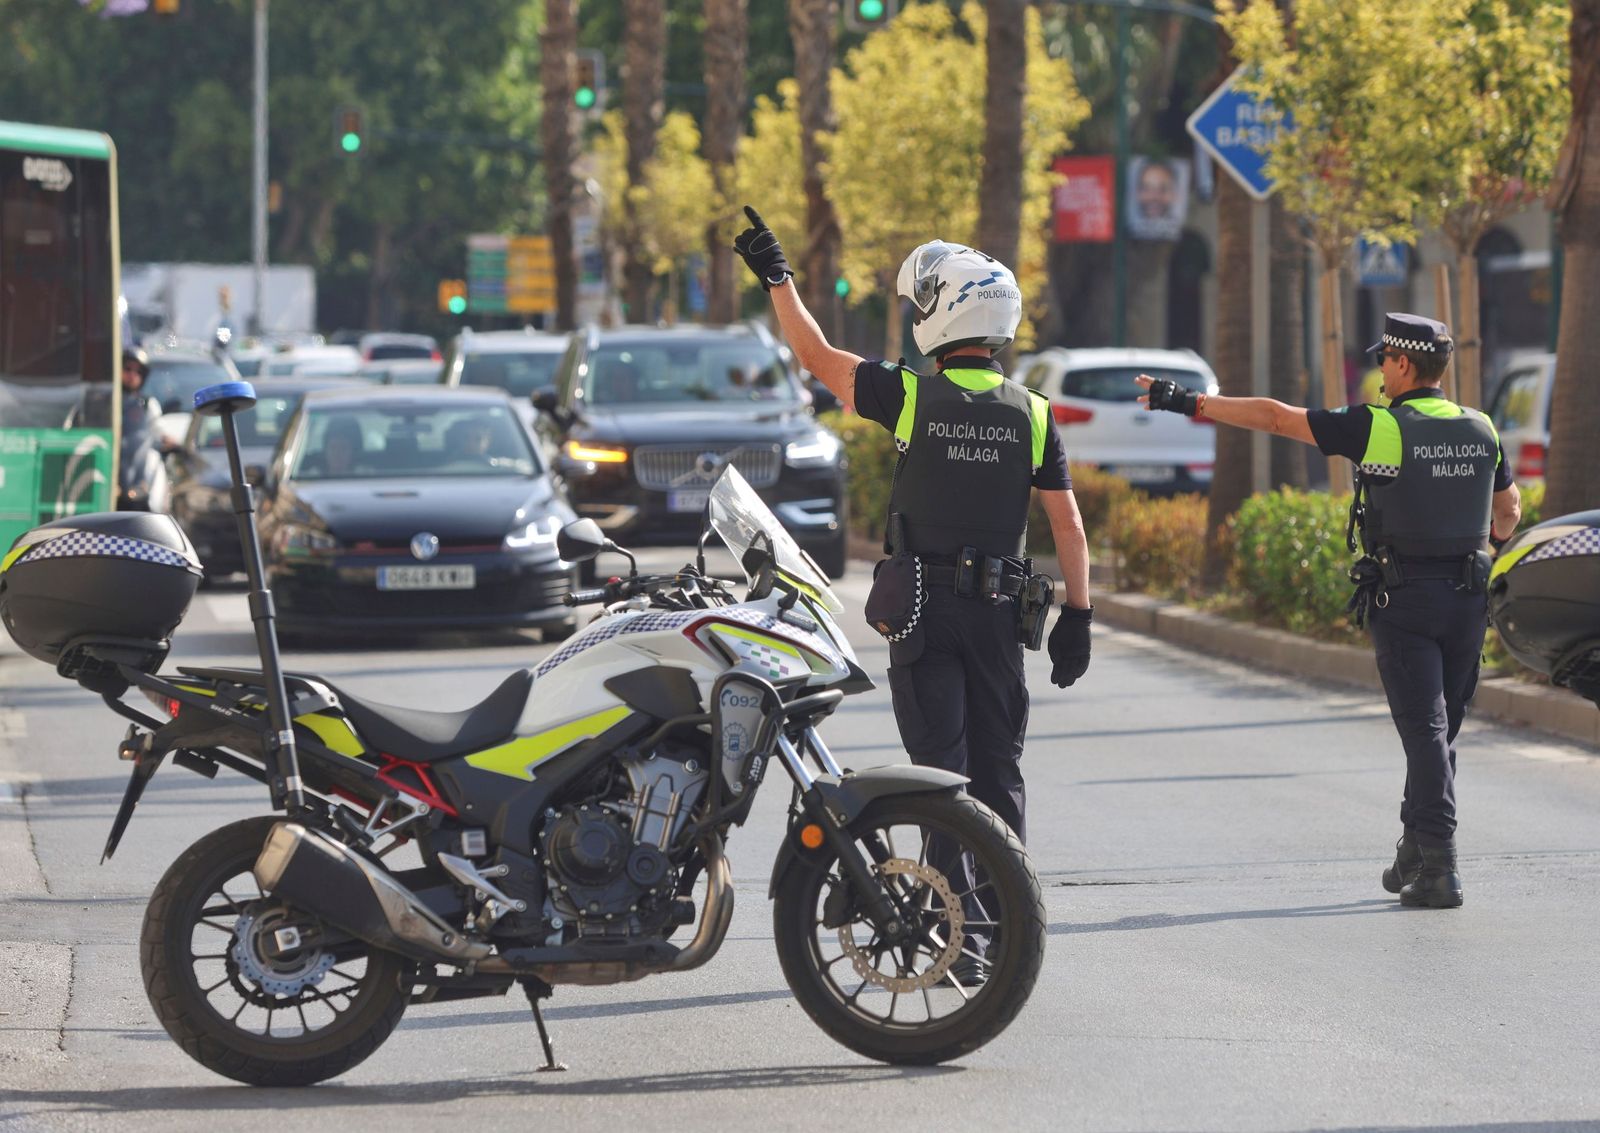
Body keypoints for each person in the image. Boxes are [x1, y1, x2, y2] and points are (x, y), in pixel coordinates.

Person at [733, 207, 1093, 980]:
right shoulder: (1034, 414)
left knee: (939, 776)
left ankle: (951, 934)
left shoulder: (908, 398)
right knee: (999, 775)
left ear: (942, 315)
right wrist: (1081, 616)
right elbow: (1066, 522)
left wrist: (778, 279)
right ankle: (1000, 931)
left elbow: (815, 355)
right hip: (1002, 617)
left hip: (926, 612)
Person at [1136, 312, 1521, 909]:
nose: (1379, 375)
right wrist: (1486, 546)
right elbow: (1509, 511)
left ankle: (1440, 863)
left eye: (1382, 363)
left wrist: (1188, 401)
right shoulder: (1482, 428)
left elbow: (1274, 417)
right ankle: (1415, 848)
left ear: (1401, 363)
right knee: (1440, 735)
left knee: (1425, 731)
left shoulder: (1381, 428)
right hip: (1470, 600)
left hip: (1406, 598)